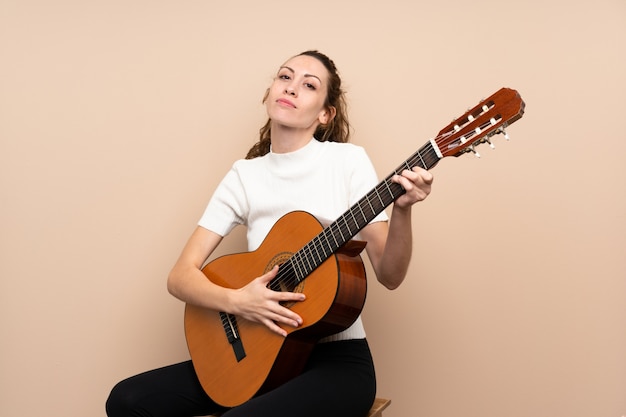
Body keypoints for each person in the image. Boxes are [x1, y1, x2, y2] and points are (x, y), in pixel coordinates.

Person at [106, 50, 433, 417]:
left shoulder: (347, 162)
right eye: (285, 77)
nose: (292, 88)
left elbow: (389, 276)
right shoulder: (244, 176)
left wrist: (402, 211)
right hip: (259, 353)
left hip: (336, 362)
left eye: (309, 85)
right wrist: (239, 302)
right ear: (269, 92)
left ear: (326, 114)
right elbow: (179, 277)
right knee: (127, 399)